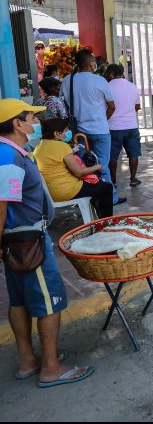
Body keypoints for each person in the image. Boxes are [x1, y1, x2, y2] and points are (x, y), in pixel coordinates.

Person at [0, 99, 95, 388]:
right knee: (49, 300)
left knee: (19, 300)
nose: (36, 123)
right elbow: (2, 204)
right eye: (32, 118)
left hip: (17, 240)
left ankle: (28, 360)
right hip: (28, 242)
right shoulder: (9, 157)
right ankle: (51, 368)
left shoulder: (13, 152)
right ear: (17, 124)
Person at [61, 49, 124, 206]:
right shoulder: (99, 81)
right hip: (100, 129)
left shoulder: (68, 80)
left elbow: (65, 103)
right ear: (91, 64)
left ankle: (89, 197)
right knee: (102, 165)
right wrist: (103, 118)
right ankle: (111, 198)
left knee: (82, 165)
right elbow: (112, 106)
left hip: (78, 131)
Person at [34, 117, 113, 219]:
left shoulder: (39, 146)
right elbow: (79, 172)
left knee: (95, 187)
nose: (68, 132)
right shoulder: (61, 147)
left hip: (50, 193)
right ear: (57, 134)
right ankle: (107, 221)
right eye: (65, 130)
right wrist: (97, 167)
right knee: (106, 187)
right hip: (67, 190)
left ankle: (97, 218)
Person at [104, 64, 142, 188]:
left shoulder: (107, 87)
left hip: (113, 127)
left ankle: (113, 182)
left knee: (112, 156)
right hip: (131, 126)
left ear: (111, 74)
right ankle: (133, 179)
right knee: (133, 154)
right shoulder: (132, 86)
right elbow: (137, 106)